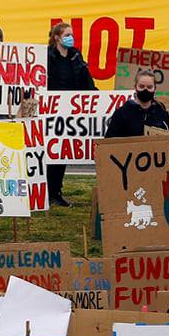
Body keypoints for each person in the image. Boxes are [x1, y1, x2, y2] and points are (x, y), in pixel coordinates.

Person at [45, 21, 94, 205]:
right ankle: (46, 191)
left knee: (62, 153)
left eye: (71, 35)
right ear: (57, 37)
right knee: (50, 152)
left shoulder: (76, 56)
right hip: (51, 111)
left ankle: (56, 191)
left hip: (70, 113)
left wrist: (95, 97)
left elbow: (86, 80)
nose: (70, 38)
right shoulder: (48, 56)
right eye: (66, 35)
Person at [103, 68, 169, 138]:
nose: (145, 90)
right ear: (135, 87)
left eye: (149, 87)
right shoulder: (122, 113)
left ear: (155, 88)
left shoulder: (162, 113)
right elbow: (109, 141)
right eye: (141, 86)